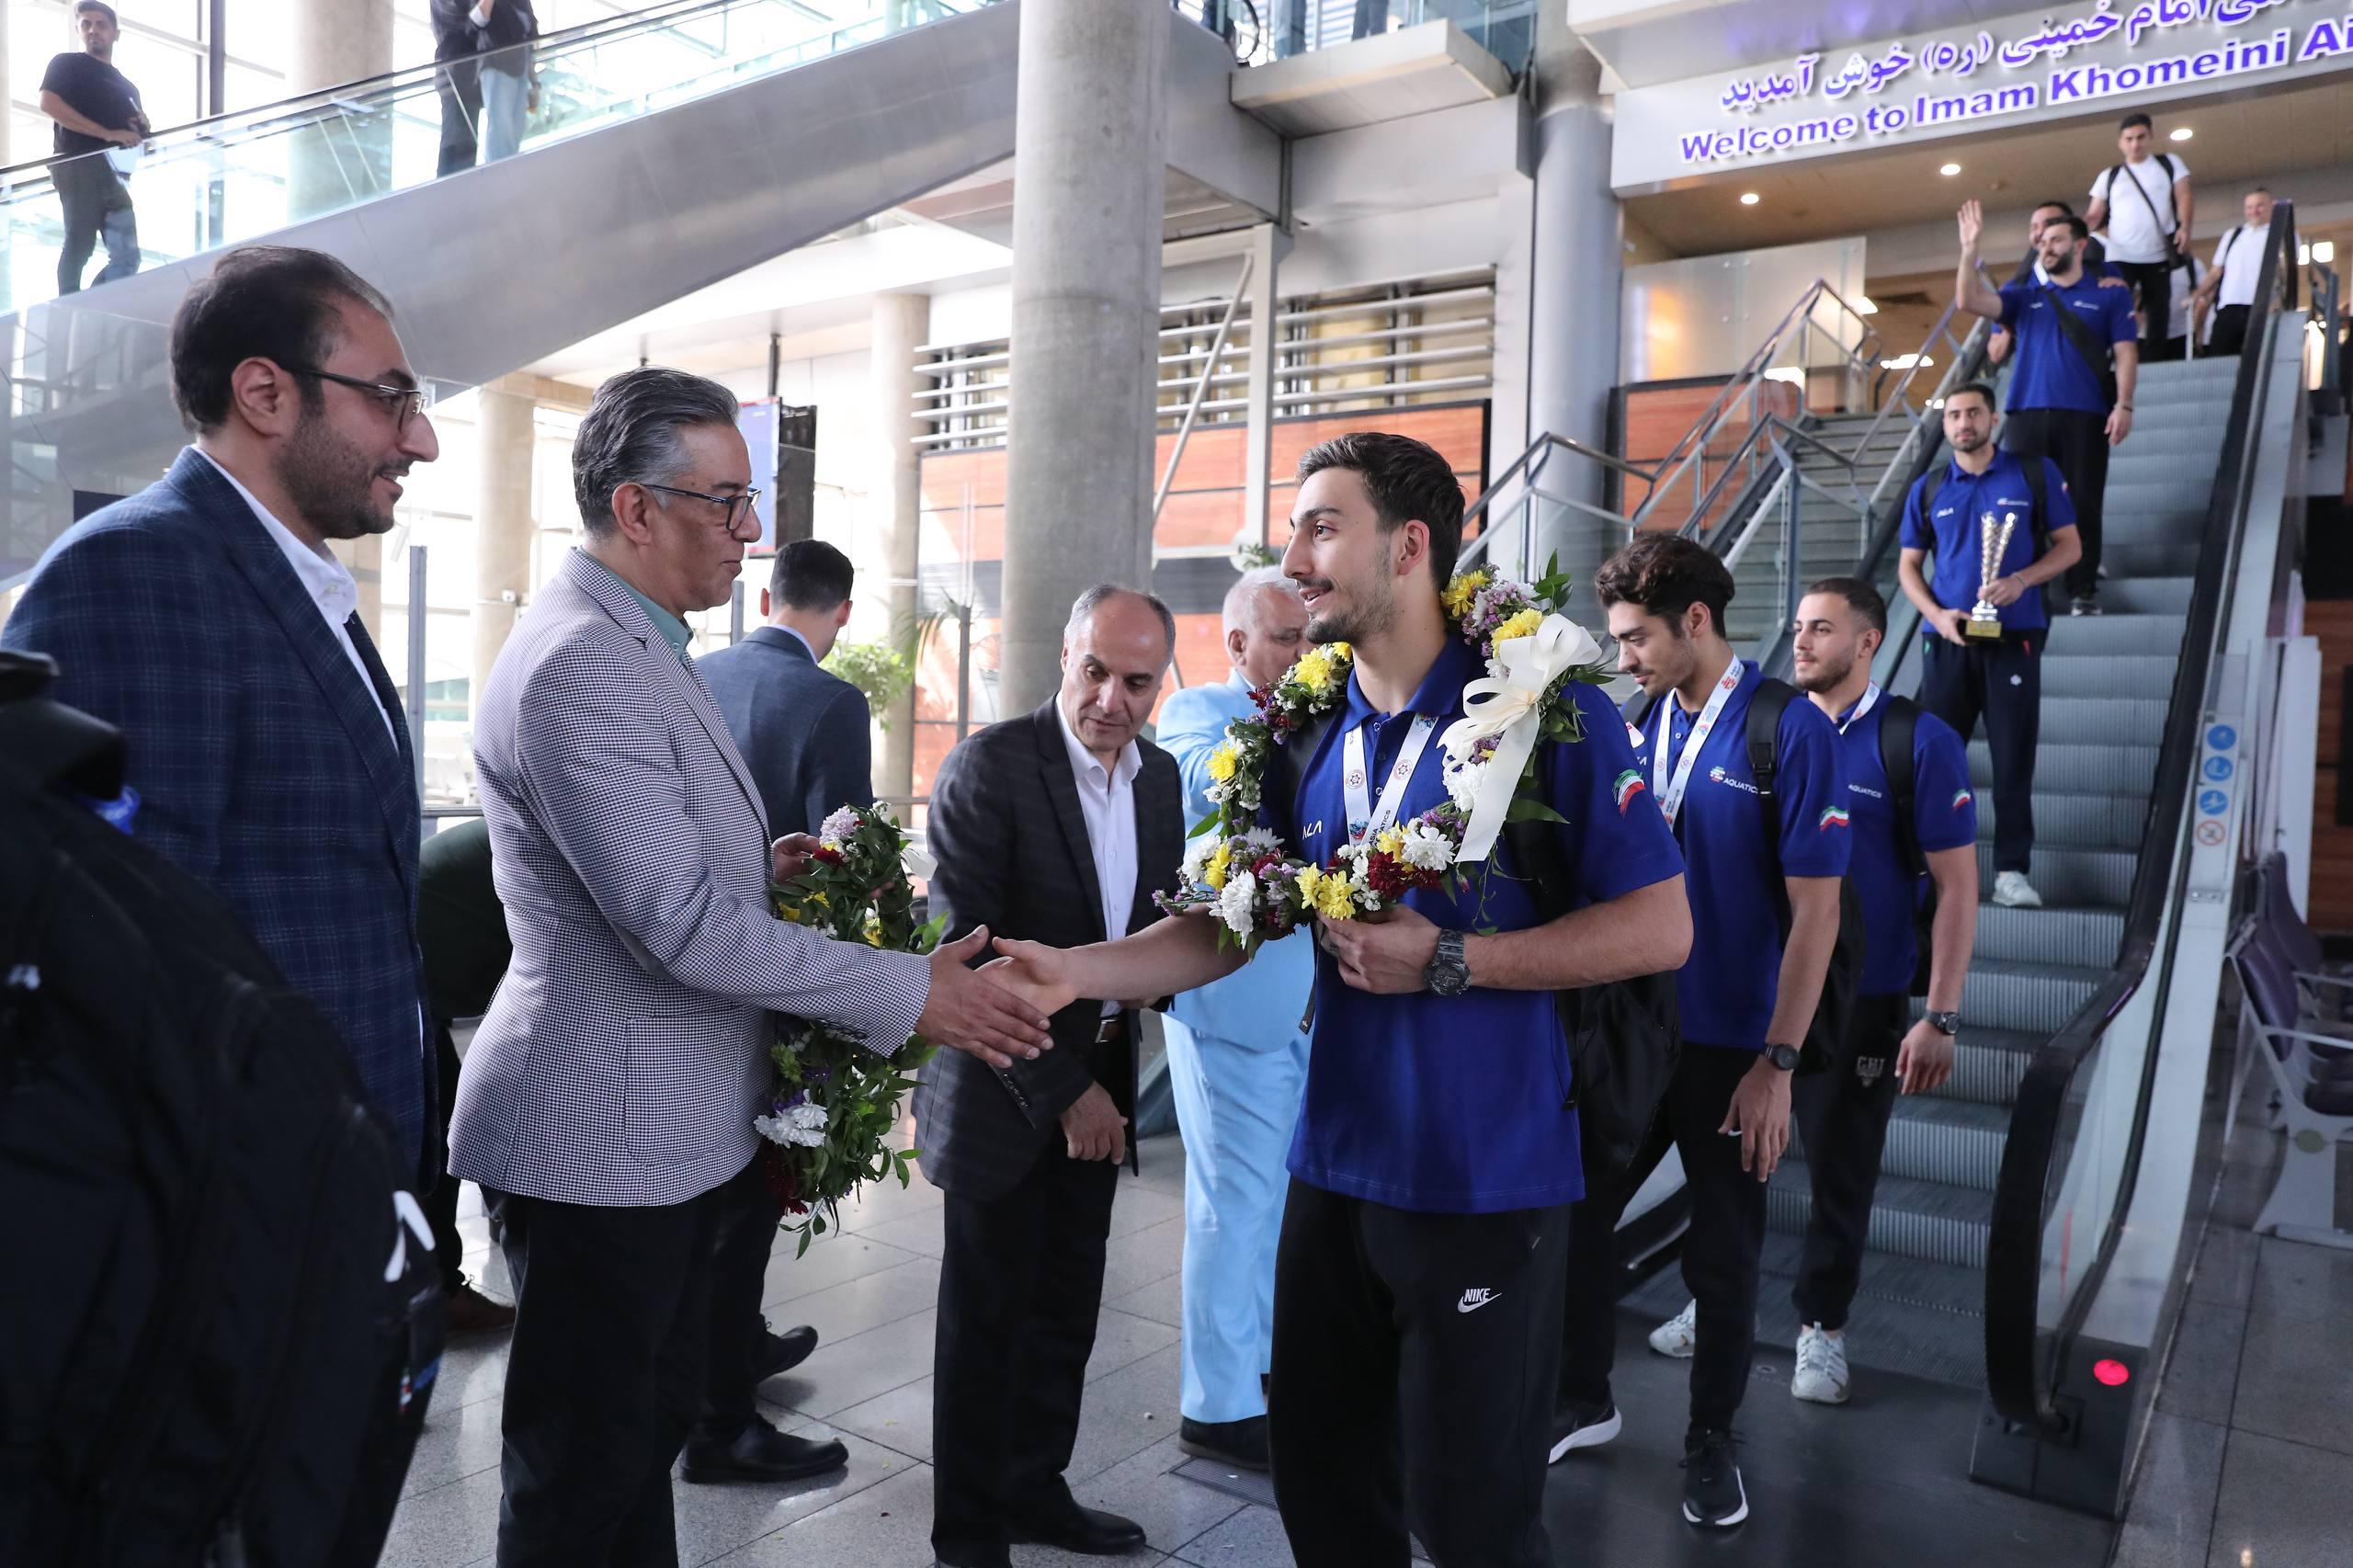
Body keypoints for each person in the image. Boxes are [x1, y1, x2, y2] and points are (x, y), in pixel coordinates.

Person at [988, 433, 1693, 1568]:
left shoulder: (1537, 709)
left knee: (1470, 1521)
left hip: (1485, 1176)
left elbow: (1661, 926)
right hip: (1331, 1165)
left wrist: (1451, 958)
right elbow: (1232, 919)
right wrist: (1079, 970)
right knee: (1325, 1491)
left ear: (1409, 546)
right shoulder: (1305, 726)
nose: (1293, 556)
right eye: (1294, 529)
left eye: (1322, 526)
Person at [446, 366, 1051, 1568]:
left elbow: (658, 875)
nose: (751, 528)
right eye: (723, 500)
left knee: (636, 1450)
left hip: (653, 1128)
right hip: (597, 1134)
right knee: (582, 1479)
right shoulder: (581, 657)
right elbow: (676, 926)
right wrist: (911, 990)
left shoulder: (638, 638)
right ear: (635, 508)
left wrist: (755, 868)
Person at [3, 245, 440, 1173]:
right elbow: (119, 968)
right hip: (245, 1193)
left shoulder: (298, 584)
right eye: (390, 398)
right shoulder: (139, 572)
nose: (421, 440)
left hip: (342, 1174)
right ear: (265, 394)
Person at [1560, 533, 1847, 1531]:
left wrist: (1778, 1064)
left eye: (1636, 637)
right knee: (1577, 1212)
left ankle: (1711, 1439)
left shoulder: (1787, 729)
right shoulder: (1641, 724)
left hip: (1734, 1046)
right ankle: (1581, 1397)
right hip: (1636, 1030)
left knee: (1721, 1255)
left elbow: (1817, 915)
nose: (1623, 656)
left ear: (1694, 620)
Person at [915, 584, 1186, 1568]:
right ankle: (969, 1534)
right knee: (987, 1319)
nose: (1112, 698)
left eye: (1137, 681)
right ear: (1065, 657)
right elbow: (971, 958)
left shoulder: (1159, 779)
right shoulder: (990, 766)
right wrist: (1071, 1089)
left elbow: (1151, 933)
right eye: (1095, 671)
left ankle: (1035, 1489)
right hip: (1005, 1082)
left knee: (1066, 1306)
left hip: (1101, 1072)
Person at [686, 537, 873, 1484]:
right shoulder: (832, 701)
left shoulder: (697, 673)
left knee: (707, 1190)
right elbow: (848, 860)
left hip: (685, 965)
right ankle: (721, 1420)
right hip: (775, 977)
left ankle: (735, 1344)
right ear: (843, 613)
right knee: (754, 1191)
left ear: (767, 596)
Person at [1777, 576, 1978, 1403]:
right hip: (1765, 986)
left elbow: (1958, 889)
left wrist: (1941, 1014)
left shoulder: (1918, 741)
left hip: (1864, 996)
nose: (1801, 641)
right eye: (1798, 626)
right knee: (1730, 1156)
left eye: (1821, 629)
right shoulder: (1771, 728)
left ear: (1867, 642)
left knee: (1840, 1168)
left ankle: (1823, 1326)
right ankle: (1712, 1297)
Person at [1149, 565, 1313, 1472]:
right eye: (1285, 637)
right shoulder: (1199, 712)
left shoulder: (1326, 714)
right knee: (1230, 1203)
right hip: (1227, 999)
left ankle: (1264, 1368)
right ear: (1238, 642)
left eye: (1309, 635)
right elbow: (1216, 797)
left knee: (1277, 1201)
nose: (1303, 651)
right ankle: (1215, 1405)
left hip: (1304, 1003)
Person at [1895, 381, 2081, 911]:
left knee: (2013, 756)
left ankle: (2011, 872)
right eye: (1954, 415)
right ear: (1946, 424)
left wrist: (2022, 580)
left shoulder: (2032, 473)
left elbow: (2070, 546)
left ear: (1993, 419)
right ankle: (1927, 870)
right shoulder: (1929, 488)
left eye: (1973, 412)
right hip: (1947, 638)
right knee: (1933, 760)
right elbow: (1908, 566)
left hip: (2014, 635)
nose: (1963, 423)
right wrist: (1936, 615)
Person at [1953, 199, 2135, 619]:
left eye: (2056, 240)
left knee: (2083, 503)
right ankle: (2026, 591)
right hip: (2026, 415)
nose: (2046, 247)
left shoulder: (2108, 294)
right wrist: (1969, 249)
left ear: (2080, 244)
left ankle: (2082, 591)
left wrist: (2124, 404)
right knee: (2021, 505)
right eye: (2042, 242)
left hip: (2086, 414)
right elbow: (1967, 300)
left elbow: (2126, 353)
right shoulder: (2025, 296)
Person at [416, 816, 522, 1335]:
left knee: (442, 1130)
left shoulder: (513, 825)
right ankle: (438, 1295)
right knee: (434, 1144)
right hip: (415, 975)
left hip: (421, 966)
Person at [40, 1, 148, 296]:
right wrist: (106, 133)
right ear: (78, 30)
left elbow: (136, 136)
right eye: (86, 24)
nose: (93, 30)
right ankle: (69, 305)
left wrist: (141, 127)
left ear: (116, 34)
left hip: (114, 173)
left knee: (127, 256)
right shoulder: (68, 64)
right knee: (80, 245)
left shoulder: (127, 86)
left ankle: (92, 303)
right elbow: (49, 103)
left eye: (101, 25)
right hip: (78, 166)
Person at [2086, 111, 2193, 364]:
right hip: (2120, 255)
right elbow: (2094, 214)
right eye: (2129, 139)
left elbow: (2184, 196)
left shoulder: (2169, 163)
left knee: (2158, 311)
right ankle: (2108, 360)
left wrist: (2185, 227)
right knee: (2114, 306)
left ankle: (2153, 365)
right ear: (2120, 142)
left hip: (2157, 255)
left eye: (2141, 137)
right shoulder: (2110, 175)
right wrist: (2073, 235)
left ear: (2150, 137)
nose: (2135, 144)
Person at [1986, 199, 2126, 367]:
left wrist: (2121, 294)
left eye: (2049, 224)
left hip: (2093, 372)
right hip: (2033, 374)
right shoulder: (2015, 288)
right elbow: (1995, 354)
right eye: (2034, 227)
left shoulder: (2103, 272)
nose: (2040, 233)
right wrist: (2011, 322)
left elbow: (2129, 330)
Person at [2190, 188, 2277, 358]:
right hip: (2228, 306)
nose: (2254, 211)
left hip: (2261, 306)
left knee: (2257, 358)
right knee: (2220, 357)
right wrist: (2195, 296)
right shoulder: (2233, 235)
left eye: (2260, 206)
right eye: (2249, 207)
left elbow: (2285, 272)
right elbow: (2216, 271)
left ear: (2271, 207)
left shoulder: (2280, 233)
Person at [429, 0, 486, 177]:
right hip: (455, 67)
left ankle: (458, 186)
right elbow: (467, 21)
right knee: (457, 137)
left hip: (465, 67)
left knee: (466, 137)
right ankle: (449, 189)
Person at [477, 0, 539, 163]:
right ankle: (498, 172)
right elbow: (476, 22)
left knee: (516, 129)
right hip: (498, 66)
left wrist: (535, 83)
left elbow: (530, 41)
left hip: (521, 68)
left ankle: (510, 170)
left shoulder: (522, 4)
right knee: (501, 128)